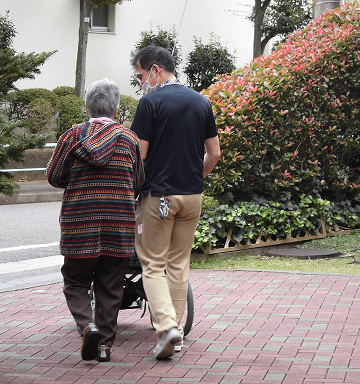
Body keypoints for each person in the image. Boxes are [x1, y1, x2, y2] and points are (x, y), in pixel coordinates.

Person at [129, 45, 221, 359]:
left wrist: (134, 190)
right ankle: (177, 335)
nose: (142, 82)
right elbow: (215, 154)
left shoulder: (150, 103)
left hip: (159, 196)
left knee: (153, 265)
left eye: (141, 75)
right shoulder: (202, 101)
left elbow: (138, 155)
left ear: (155, 70)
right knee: (179, 265)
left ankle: (166, 327)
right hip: (192, 196)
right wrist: (197, 178)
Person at [46, 78, 144, 362]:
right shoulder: (130, 140)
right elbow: (138, 182)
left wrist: (75, 179)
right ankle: (104, 346)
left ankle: (87, 326)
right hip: (119, 224)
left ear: (87, 107)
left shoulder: (72, 136)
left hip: (80, 222)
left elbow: (53, 176)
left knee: (75, 280)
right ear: (115, 110)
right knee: (111, 286)